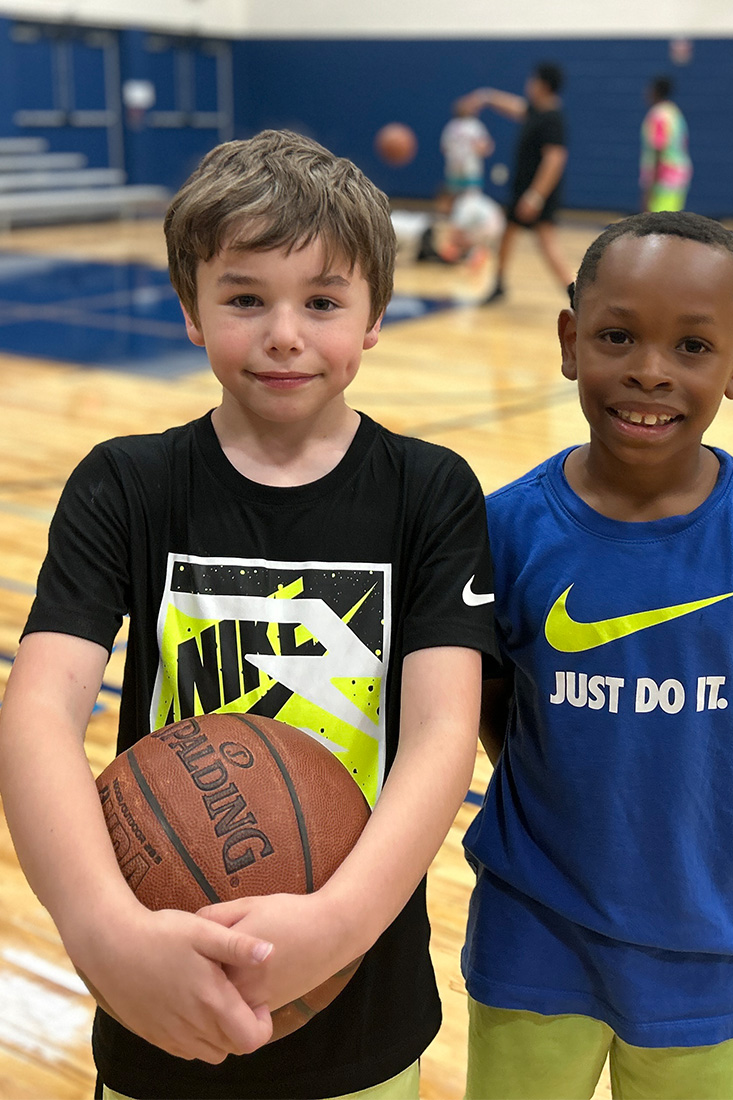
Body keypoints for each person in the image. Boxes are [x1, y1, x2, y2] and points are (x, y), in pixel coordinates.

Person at [0, 128, 499, 1100]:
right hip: (161, 981)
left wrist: (342, 920)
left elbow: (445, 730)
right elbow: (39, 712)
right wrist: (105, 930)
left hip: (362, 997)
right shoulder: (125, 486)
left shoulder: (429, 492)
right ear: (190, 310)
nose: (284, 333)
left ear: (376, 316)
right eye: (244, 298)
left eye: (321, 300)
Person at [461, 211, 733, 1099]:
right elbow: (484, 700)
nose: (649, 369)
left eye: (691, 346)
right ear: (569, 342)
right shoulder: (505, 528)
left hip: (710, 945)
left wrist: (719, 826)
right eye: (615, 336)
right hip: (534, 932)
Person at [460, 61, 574, 304]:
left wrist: (536, 196)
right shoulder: (536, 111)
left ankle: (576, 296)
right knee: (507, 234)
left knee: (548, 244)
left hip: (537, 193)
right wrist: (487, 97)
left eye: (533, 80)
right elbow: (514, 107)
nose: (529, 84)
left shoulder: (552, 119)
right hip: (524, 190)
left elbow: (555, 160)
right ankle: (499, 284)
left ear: (542, 85)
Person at [416, 99, 494, 264]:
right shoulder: (475, 126)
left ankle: (460, 245)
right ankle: (463, 245)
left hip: (455, 171)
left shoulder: (451, 127)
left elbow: (444, 148)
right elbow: (486, 147)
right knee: (467, 207)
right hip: (470, 171)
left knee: (459, 208)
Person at [640, 75, 692, 213]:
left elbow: (659, 149)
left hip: (664, 178)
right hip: (678, 174)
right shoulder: (674, 112)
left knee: (657, 223)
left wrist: (651, 186)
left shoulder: (658, 116)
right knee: (671, 220)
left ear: (655, 91)